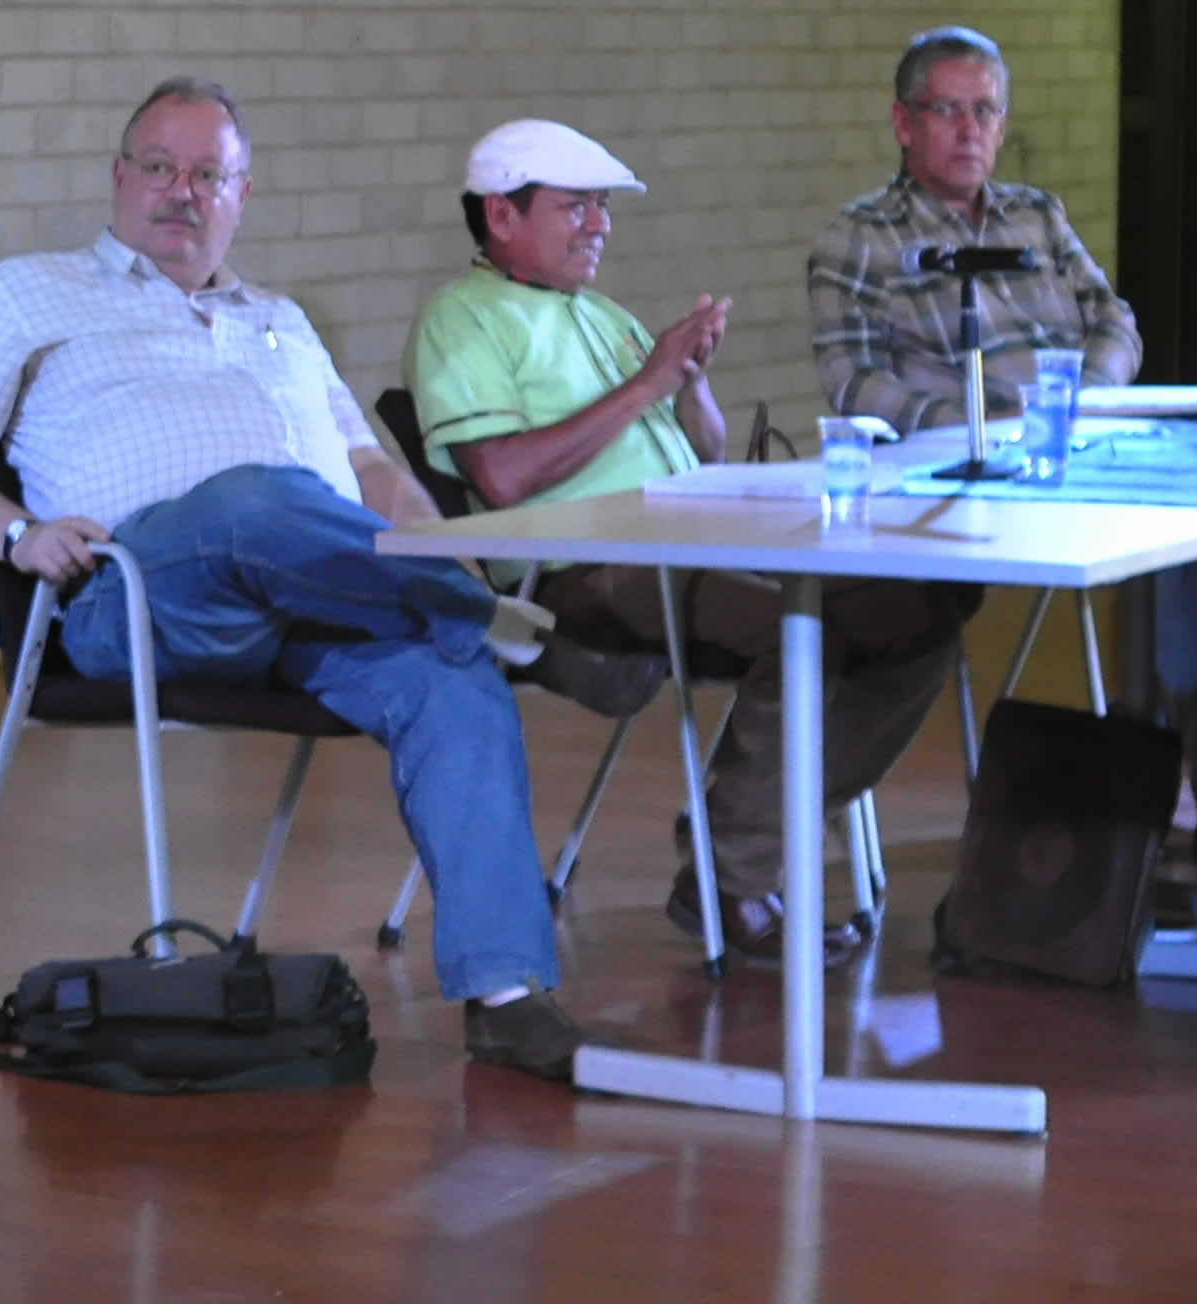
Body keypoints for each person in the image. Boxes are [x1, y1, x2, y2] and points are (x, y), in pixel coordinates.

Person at [0, 79, 598, 1081]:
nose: (183, 192)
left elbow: (378, 476)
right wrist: (13, 533)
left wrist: (442, 555)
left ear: (243, 193)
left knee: (451, 680)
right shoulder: (27, 291)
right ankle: (514, 629)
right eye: (162, 168)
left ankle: (507, 993)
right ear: (119, 177)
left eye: (208, 174)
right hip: (139, 593)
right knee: (252, 498)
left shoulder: (282, 319)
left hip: (309, 604)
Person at [405, 120, 967, 964]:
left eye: (602, 208)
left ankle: (733, 839)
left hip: (695, 541)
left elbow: (702, 452)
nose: (599, 225)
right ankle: (736, 879)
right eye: (576, 208)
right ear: (502, 216)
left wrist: (689, 382)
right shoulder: (462, 319)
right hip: (584, 572)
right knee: (805, 630)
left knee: (926, 606)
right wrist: (649, 383)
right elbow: (502, 480)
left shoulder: (603, 314)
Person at [806, 26, 1197, 863]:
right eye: (947, 110)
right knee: (1180, 553)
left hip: (1093, 438)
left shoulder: (1037, 213)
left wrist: (1089, 396)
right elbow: (852, 385)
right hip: (972, 472)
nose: (969, 130)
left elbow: (1113, 316)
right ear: (903, 122)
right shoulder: (859, 237)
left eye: (985, 111)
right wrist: (990, 421)